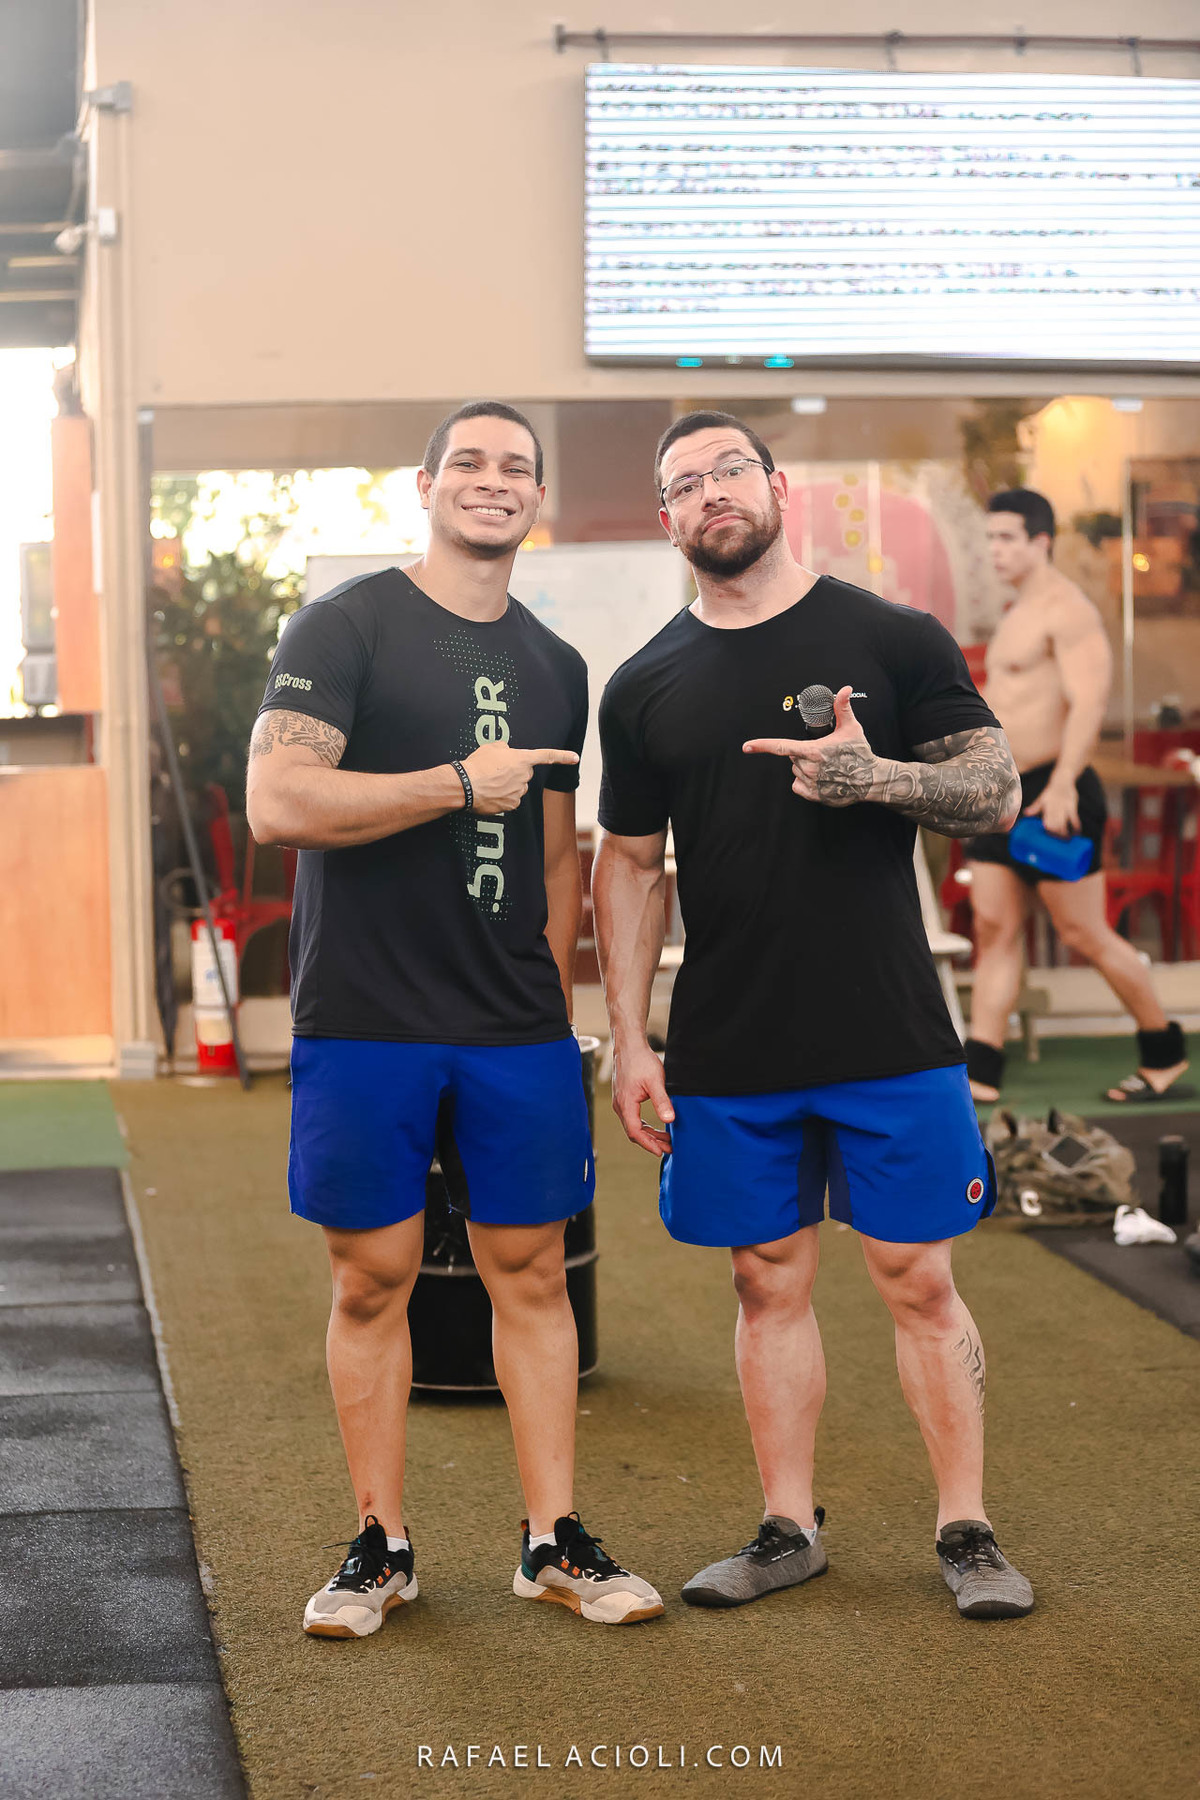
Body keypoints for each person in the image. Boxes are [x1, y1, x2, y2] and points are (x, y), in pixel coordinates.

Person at [592, 409, 1033, 1620]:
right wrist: (630, 1039)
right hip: (732, 1036)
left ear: (777, 486)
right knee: (765, 1279)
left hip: (888, 1024)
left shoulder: (890, 635)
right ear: (667, 520)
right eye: (685, 483)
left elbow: (995, 790)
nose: (711, 493)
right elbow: (628, 864)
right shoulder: (644, 685)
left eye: (730, 469)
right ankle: (789, 1528)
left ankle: (967, 1530)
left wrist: (874, 777)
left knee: (917, 1277)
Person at [246, 400, 663, 1637]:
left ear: (537, 497)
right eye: (469, 462)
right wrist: (451, 786)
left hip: (511, 1027)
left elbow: (555, 853)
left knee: (532, 1275)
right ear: (425, 485)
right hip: (364, 1015)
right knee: (372, 1278)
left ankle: (552, 1541)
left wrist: (553, 1000)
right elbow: (277, 801)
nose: (493, 480)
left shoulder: (556, 665)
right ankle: (380, 1544)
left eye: (516, 467)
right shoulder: (344, 624)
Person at [964, 488, 1189, 1105]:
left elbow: (1090, 701)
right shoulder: (1018, 612)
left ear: (1041, 541)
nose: (995, 550)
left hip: (1053, 792)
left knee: (1084, 932)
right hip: (1003, 792)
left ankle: (1163, 1051)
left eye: (1007, 538)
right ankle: (980, 1070)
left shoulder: (1067, 610)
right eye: (989, 538)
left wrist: (1064, 782)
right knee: (993, 927)